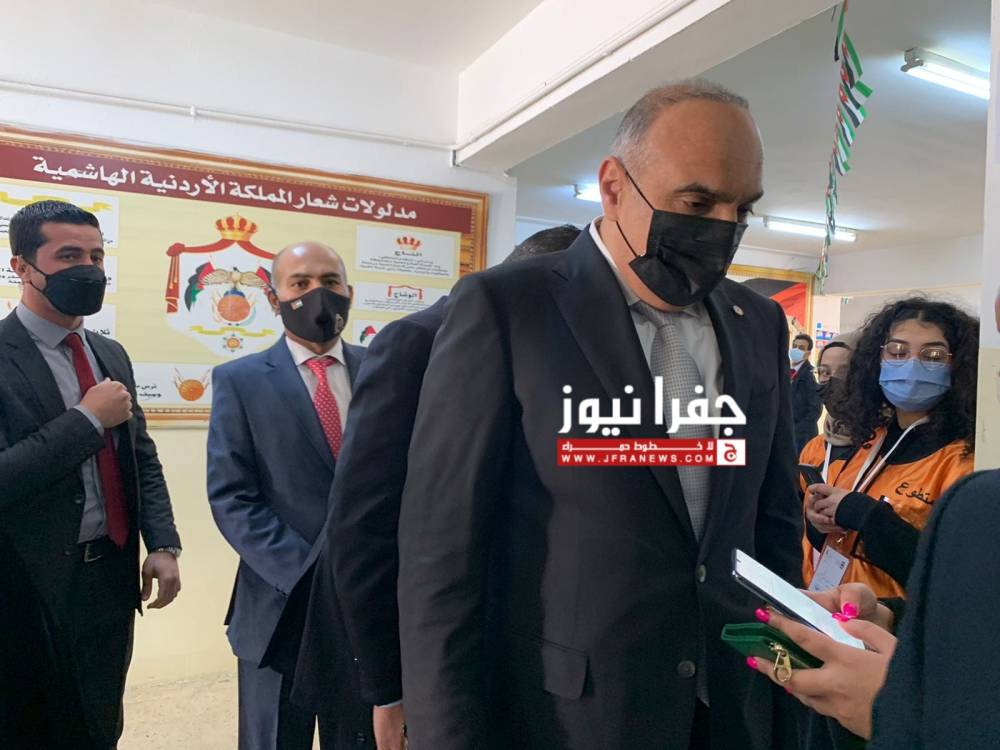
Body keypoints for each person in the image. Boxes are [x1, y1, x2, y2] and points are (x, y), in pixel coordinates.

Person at [396, 80, 803, 750]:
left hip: (732, 701)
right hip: (573, 713)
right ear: (613, 186)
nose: (724, 227)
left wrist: (788, 691)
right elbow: (442, 551)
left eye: (743, 208)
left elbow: (771, 523)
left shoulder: (756, 322)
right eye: (697, 203)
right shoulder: (508, 308)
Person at [291, 225, 581, 750]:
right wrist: (388, 687)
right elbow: (362, 526)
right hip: (390, 651)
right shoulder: (417, 341)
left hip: (495, 645)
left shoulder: (544, 348)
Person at [0, 200, 182, 749]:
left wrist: (163, 542)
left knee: (99, 721)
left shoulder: (110, 354)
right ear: (22, 266)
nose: (88, 269)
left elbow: (140, 455)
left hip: (109, 576)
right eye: (69, 256)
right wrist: (86, 420)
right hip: (24, 584)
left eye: (96, 256)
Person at [207, 242, 370, 750]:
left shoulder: (385, 370)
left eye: (330, 281)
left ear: (349, 293)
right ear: (274, 299)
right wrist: (309, 575)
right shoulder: (240, 380)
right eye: (300, 283)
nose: (317, 293)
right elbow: (232, 496)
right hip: (279, 605)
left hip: (367, 604)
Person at [749, 469, 1000, 749]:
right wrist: (890, 619)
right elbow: (971, 628)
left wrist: (902, 708)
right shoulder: (978, 501)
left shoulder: (967, 486)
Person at [803, 298, 977, 598]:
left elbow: (956, 578)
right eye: (897, 351)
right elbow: (841, 542)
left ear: (957, 364)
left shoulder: (964, 460)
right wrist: (820, 521)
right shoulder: (870, 439)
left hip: (896, 622)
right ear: (876, 359)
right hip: (833, 610)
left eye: (933, 355)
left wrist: (868, 516)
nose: (912, 365)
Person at [799, 332, 859, 583]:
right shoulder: (814, 448)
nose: (832, 381)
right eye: (824, 372)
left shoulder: (884, 446)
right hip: (812, 585)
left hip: (868, 595)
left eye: (844, 372)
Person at [791, 333, 822, 454]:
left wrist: (797, 430)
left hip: (801, 438)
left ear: (808, 353)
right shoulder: (788, 371)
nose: (796, 350)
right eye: (794, 346)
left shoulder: (810, 375)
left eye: (801, 348)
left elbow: (815, 410)